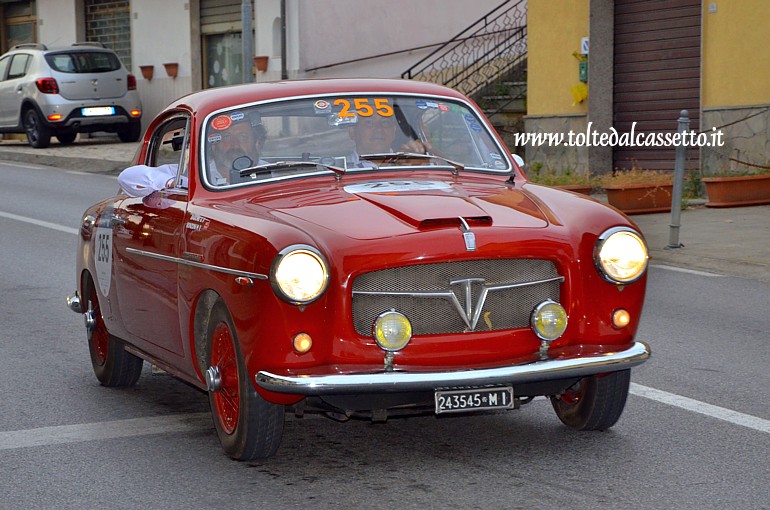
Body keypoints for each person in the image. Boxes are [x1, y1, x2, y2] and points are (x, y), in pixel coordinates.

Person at [347, 113, 428, 168]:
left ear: (394, 131)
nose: (379, 129)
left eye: (385, 123)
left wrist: (421, 161)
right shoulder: (338, 169)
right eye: (369, 123)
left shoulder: (410, 163)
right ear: (353, 132)